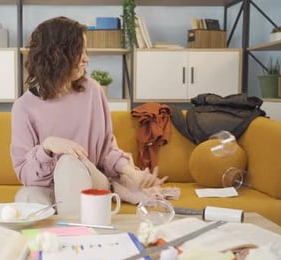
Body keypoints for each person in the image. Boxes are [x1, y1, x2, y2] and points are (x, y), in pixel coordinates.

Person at [10, 16, 166, 215]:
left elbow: (106, 149)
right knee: (27, 198)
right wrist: (47, 147)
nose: (86, 58)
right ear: (57, 55)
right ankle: (52, 239)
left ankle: (76, 234)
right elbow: (26, 176)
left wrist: (131, 173)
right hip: (47, 186)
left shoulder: (92, 91)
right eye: (79, 51)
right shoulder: (24, 107)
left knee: (68, 162)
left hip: (90, 180)